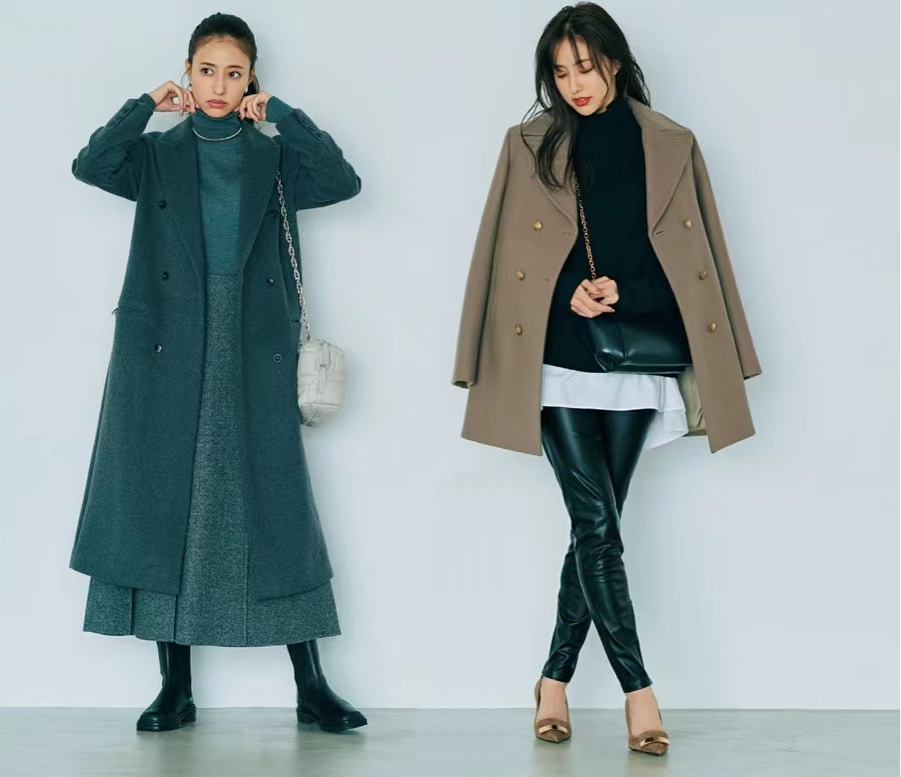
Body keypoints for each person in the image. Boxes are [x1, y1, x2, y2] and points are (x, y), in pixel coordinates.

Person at [452, 2, 761, 755]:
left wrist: (624, 289)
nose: (575, 85)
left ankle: (551, 680)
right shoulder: (527, 144)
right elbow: (502, 252)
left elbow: (693, 260)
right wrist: (569, 292)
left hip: (635, 357)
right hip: (554, 357)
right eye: (560, 73)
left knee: (598, 528)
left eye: (585, 68)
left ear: (614, 63)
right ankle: (639, 693)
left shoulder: (672, 144)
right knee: (597, 526)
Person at [69, 12, 367, 733]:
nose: (218, 85)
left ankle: (311, 684)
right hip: (166, 343)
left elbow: (342, 181)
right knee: (166, 505)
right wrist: (146, 104)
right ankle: (174, 687)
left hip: (253, 341)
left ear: (251, 80)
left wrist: (284, 114)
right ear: (188, 72)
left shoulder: (274, 156)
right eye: (206, 70)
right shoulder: (155, 154)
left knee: (275, 505)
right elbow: (91, 164)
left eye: (234, 73)